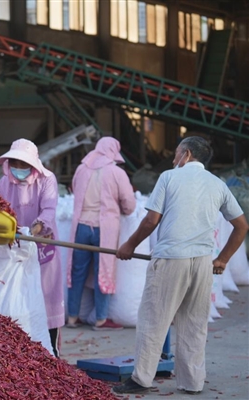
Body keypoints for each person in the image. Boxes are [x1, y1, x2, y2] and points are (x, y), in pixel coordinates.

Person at [113, 136, 249, 395]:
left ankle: (141, 379)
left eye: (176, 154)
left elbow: (151, 220)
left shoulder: (169, 177)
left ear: (186, 155)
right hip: (201, 264)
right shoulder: (217, 184)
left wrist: (129, 245)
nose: (174, 159)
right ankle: (192, 382)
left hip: (171, 260)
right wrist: (222, 260)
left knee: (154, 320)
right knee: (194, 324)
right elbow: (242, 226)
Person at [0, 138, 64, 358]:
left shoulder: (47, 180)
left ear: (33, 164)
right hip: (15, 248)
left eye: (24, 164)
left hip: (43, 246)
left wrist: (34, 229)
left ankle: (51, 352)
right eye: (16, 163)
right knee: (17, 298)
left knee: (47, 296)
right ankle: (19, 352)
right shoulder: (5, 183)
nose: (20, 169)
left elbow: (49, 209)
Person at [65, 137, 136, 331]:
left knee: (77, 271)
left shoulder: (81, 169)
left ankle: (72, 317)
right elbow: (129, 204)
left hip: (80, 227)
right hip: (105, 230)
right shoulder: (116, 172)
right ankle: (101, 319)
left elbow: (73, 189)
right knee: (103, 271)